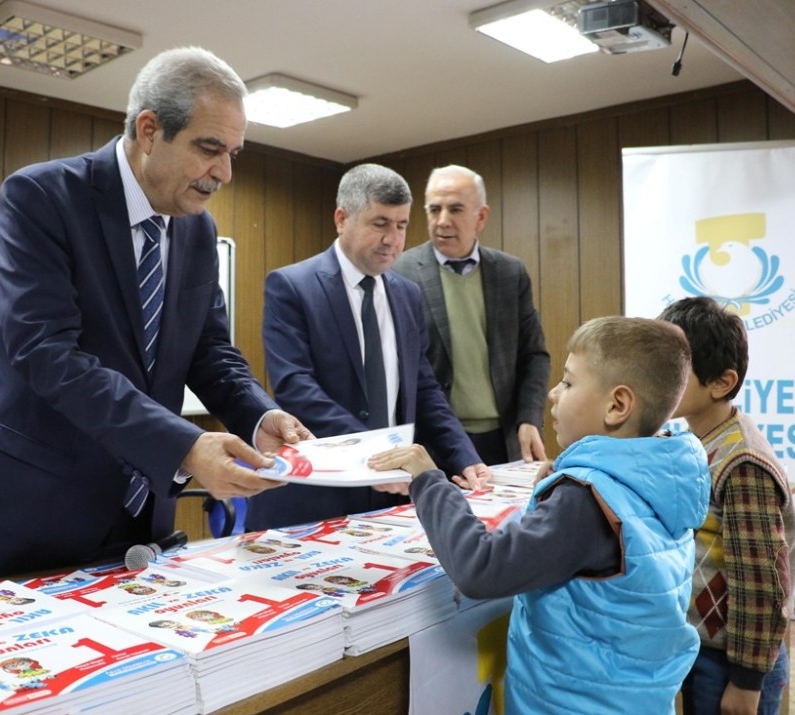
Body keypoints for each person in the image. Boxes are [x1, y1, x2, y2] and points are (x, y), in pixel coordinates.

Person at [0, 46, 310, 581]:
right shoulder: (41, 197)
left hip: (140, 516)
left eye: (233, 153)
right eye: (209, 148)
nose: (224, 172)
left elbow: (208, 350)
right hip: (33, 512)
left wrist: (258, 415)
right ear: (150, 130)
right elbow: (47, 353)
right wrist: (184, 446)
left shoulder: (197, 229)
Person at [370, 316, 711, 714]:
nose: (552, 393)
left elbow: (482, 568)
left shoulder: (585, 500)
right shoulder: (662, 477)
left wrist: (428, 480)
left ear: (617, 405)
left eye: (567, 382)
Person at [247, 164, 488, 531]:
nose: (393, 239)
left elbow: (424, 389)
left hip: (391, 495)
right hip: (314, 500)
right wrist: (374, 451)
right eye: (380, 223)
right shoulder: (291, 286)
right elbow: (296, 388)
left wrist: (464, 456)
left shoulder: (407, 294)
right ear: (342, 219)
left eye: (402, 225)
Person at [659, 296, 795, 715]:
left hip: (730, 662)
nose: (656, 377)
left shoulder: (742, 462)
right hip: (700, 646)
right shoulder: (690, 436)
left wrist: (746, 682)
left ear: (721, 383)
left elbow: (762, 583)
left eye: (672, 369)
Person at [393, 165, 550, 465]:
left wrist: (529, 417)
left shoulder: (510, 273)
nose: (442, 221)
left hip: (503, 439)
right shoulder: (400, 273)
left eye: (455, 209)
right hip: (432, 441)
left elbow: (534, 355)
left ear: (481, 217)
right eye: (434, 209)